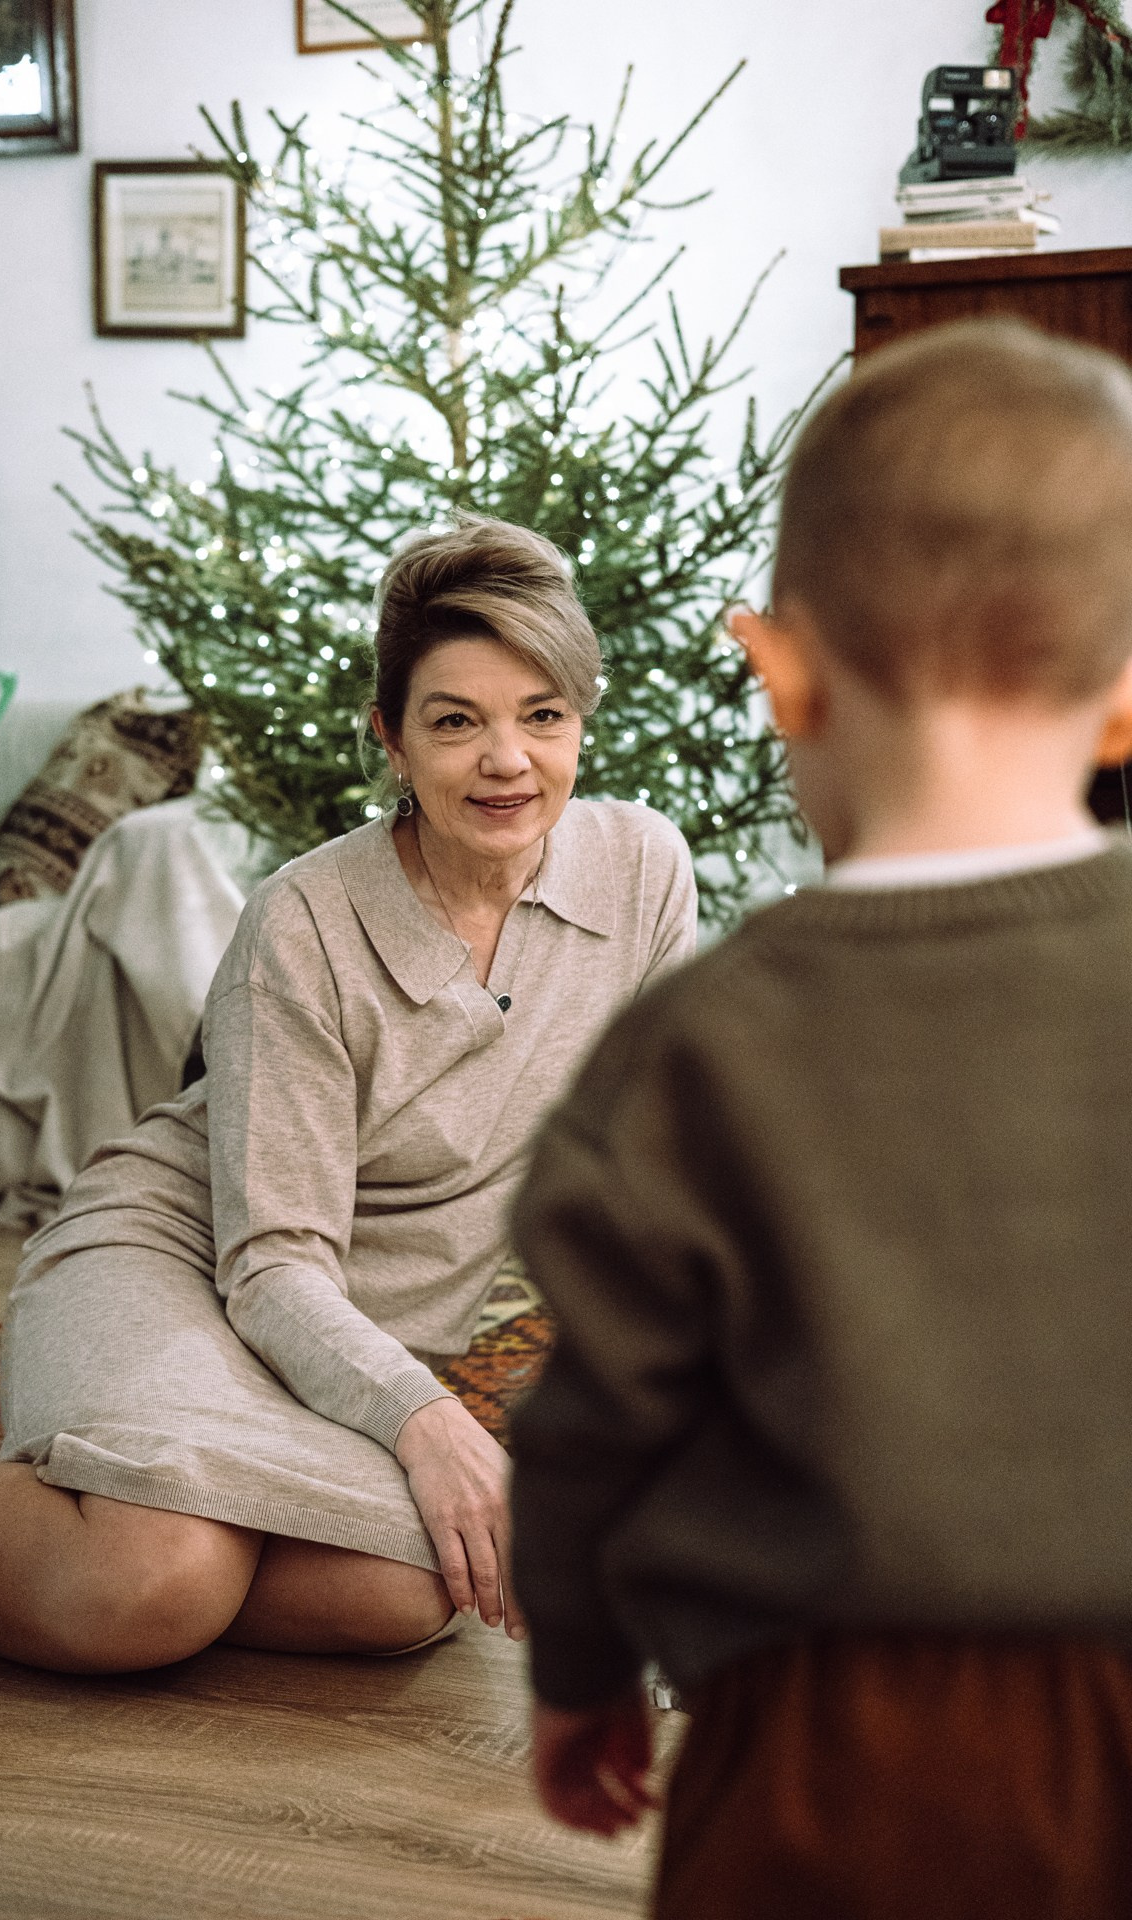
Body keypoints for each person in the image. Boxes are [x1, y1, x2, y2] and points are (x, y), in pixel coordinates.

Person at [509, 319, 1132, 1919]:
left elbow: (593, 1424)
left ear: (781, 673)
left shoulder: (698, 1045)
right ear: (1124, 702)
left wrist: (578, 1671)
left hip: (829, 1747)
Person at [0, 517, 698, 1673]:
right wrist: (428, 1422)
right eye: (456, 722)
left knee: (410, 1591)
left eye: (541, 716)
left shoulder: (642, 869)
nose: (507, 761)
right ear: (390, 740)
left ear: (579, 725)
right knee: (149, 1586)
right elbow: (272, 1264)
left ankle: (67, 1508)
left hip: (356, 1328)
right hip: (186, 1259)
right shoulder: (301, 924)